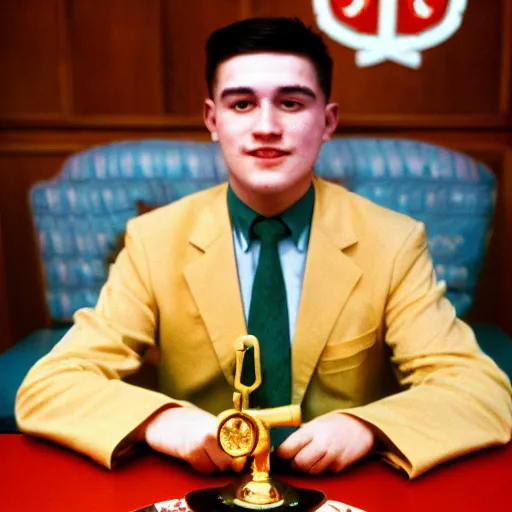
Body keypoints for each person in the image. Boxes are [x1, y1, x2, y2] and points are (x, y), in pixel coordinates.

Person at [16, 18, 511, 478]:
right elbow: (48, 387)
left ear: (328, 120)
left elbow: (481, 393)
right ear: (212, 119)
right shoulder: (154, 239)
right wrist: (161, 421)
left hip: (343, 492)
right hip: (199, 486)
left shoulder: (393, 241)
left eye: (292, 103)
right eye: (241, 104)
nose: (267, 126)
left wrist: (369, 427)